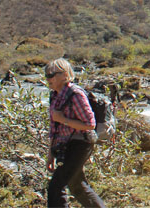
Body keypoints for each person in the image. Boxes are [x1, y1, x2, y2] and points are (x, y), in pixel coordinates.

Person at [45, 58, 106, 208]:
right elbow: (55, 128)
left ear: (65, 75)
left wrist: (63, 119)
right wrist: (50, 154)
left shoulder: (75, 94)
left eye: (51, 74)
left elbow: (90, 124)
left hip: (80, 144)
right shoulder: (55, 95)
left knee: (55, 187)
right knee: (77, 185)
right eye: (46, 75)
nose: (48, 78)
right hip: (65, 144)